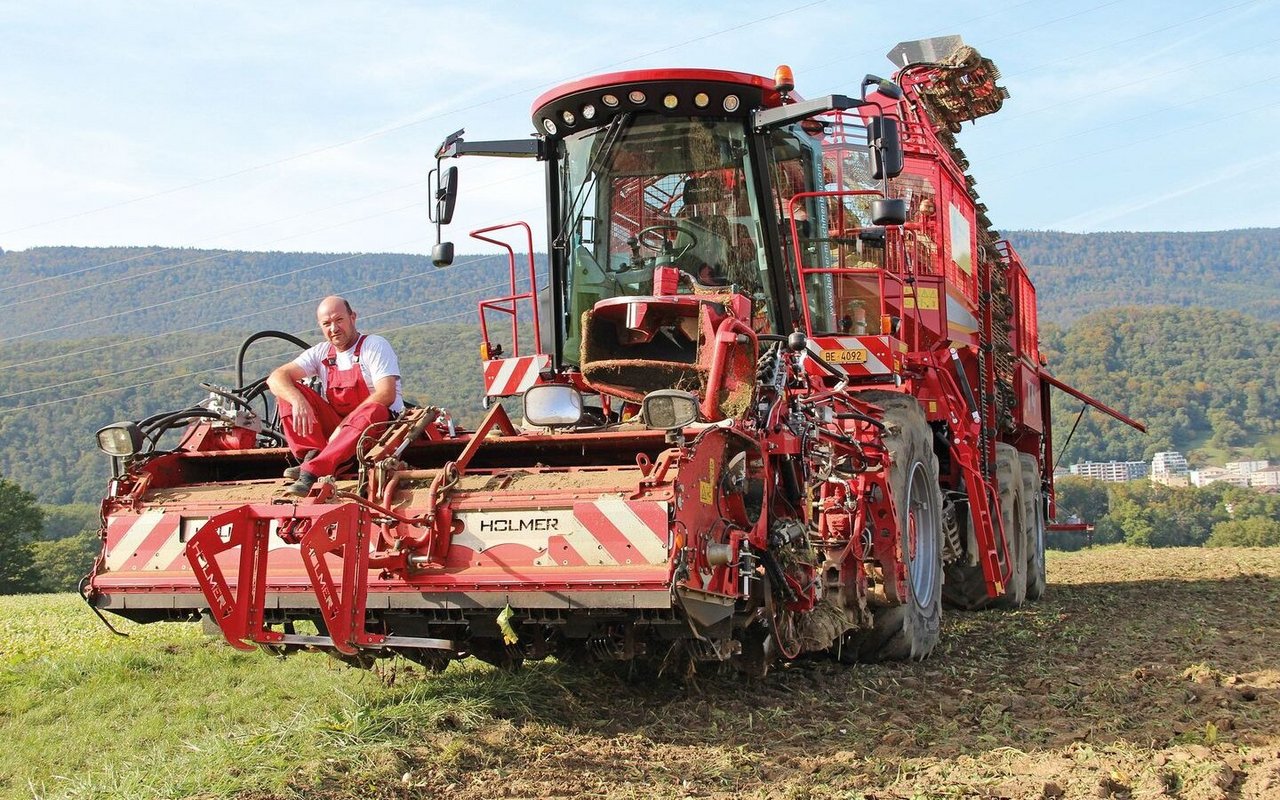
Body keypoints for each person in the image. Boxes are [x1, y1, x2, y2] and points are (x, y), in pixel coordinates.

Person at [268, 296, 404, 496]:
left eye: (339, 320)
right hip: (337, 433)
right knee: (287, 392)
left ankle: (315, 471)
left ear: (353, 317)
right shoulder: (322, 352)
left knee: (375, 408)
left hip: (377, 432)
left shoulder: (374, 345)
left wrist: (343, 426)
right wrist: (298, 400)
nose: (334, 328)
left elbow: (386, 393)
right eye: (327, 323)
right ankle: (312, 457)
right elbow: (275, 378)